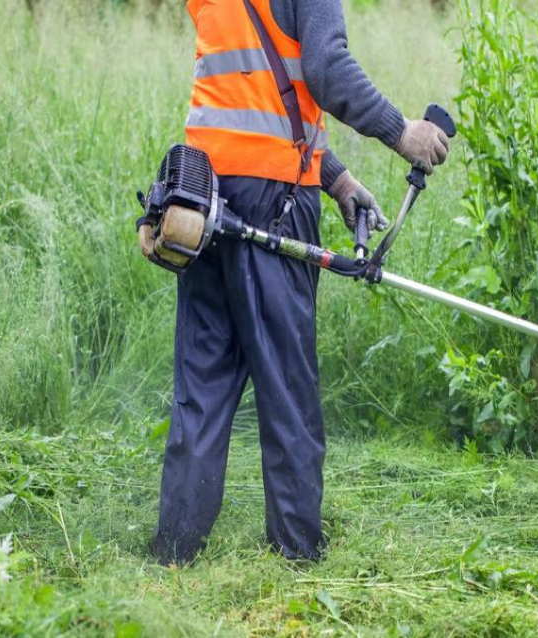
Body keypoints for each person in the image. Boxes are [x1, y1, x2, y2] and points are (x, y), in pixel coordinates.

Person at [138, 0, 449, 565]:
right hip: (274, 200)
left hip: (201, 197)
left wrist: (337, 179)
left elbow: (256, 92)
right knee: (287, 387)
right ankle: (297, 553)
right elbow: (325, 71)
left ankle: (175, 551)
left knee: (203, 383)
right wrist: (402, 131)